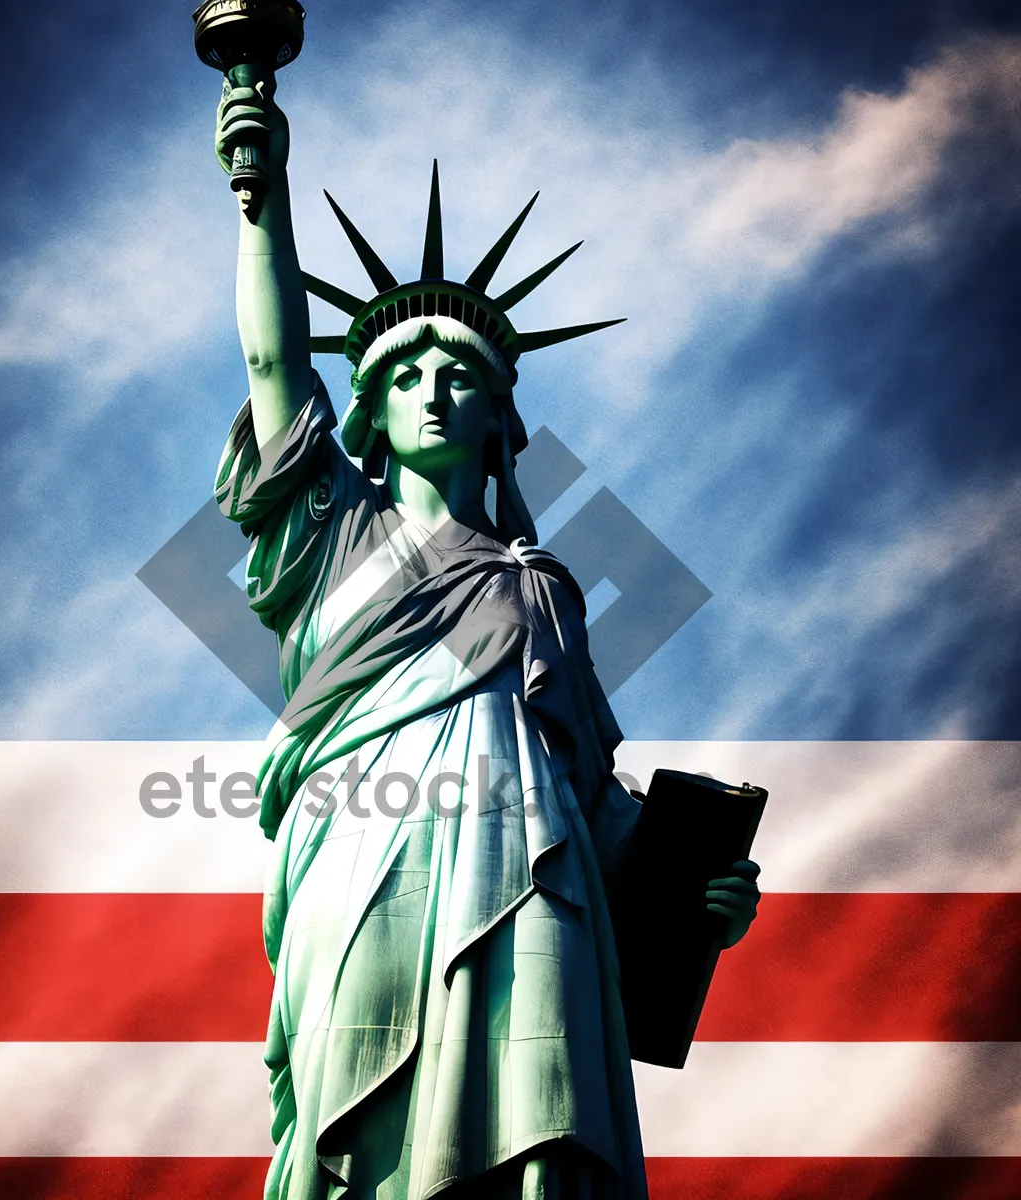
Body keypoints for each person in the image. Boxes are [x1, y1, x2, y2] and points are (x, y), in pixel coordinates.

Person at [212, 76, 761, 1200]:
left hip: (537, 872)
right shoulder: (336, 539)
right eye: (402, 376)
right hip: (366, 857)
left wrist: (693, 891)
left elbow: (590, 791)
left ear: (501, 418)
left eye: (459, 377)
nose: (430, 393)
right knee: (361, 1137)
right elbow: (274, 369)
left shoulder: (544, 588)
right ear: (366, 412)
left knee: (542, 1140)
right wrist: (257, 195)